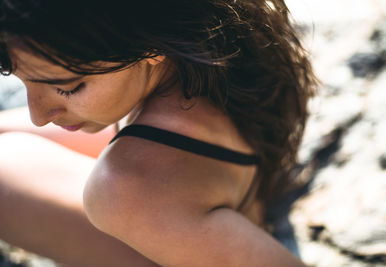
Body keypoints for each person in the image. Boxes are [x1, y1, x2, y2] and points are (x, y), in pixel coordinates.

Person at [0, 0, 317, 266]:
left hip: (174, 227)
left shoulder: (129, 190)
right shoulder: (212, 43)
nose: (38, 115)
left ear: (151, 44)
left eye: (67, 88)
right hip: (211, 193)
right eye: (21, 78)